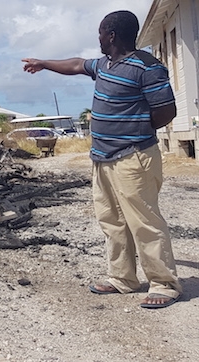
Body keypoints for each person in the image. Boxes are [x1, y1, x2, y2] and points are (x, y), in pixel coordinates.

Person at [21, 10, 181, 309]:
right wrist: (43, 63)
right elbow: (76, 65)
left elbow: (166, 111)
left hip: (134, 157)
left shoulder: (147, 67)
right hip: (102, 158)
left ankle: (164, 283)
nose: (98, 39)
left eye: (100, 34)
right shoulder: (106, 64)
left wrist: (133, 131)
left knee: (144, 222)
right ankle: (123, 278)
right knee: (112, 221)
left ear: (111, 35)